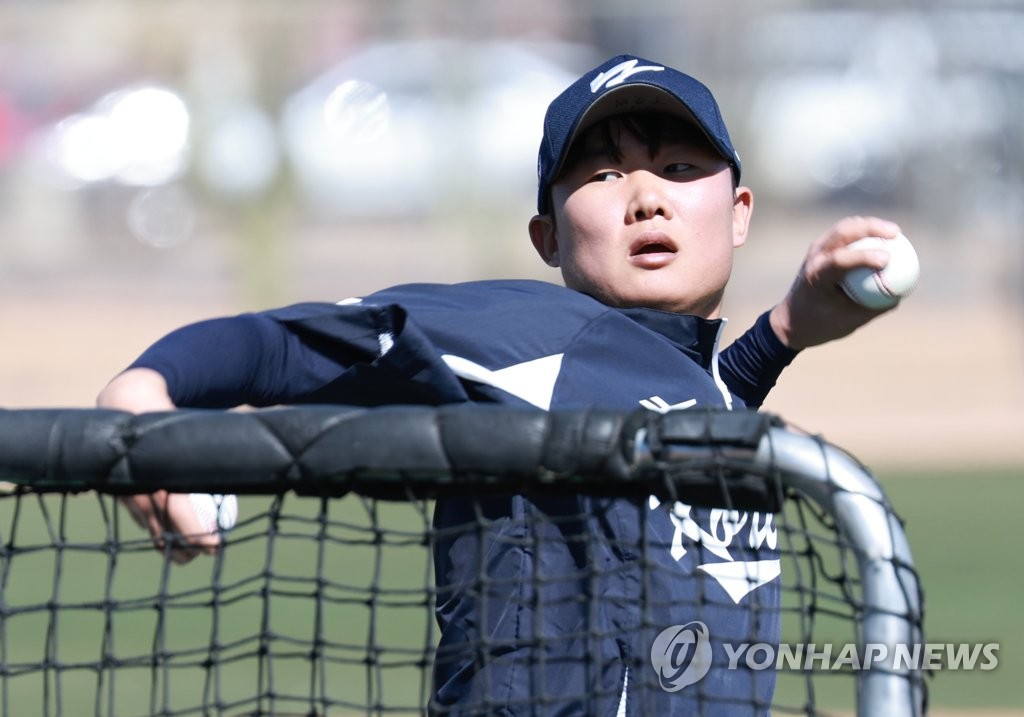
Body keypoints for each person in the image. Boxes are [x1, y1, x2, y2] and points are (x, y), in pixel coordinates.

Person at [97, 54, 902, 716]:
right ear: (547, 236)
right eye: (604, 173)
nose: (647, 196)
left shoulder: (693, 385)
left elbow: (680, 406)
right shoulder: (520, 334)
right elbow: (280, 343)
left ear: (738, 211)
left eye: (680, 167)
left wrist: (787, 329)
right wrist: (144, 392)